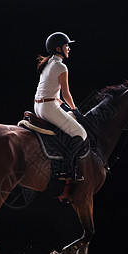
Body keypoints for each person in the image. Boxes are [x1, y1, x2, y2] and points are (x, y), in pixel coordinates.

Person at [34, 32, 87, 182]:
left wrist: (66, 108)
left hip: (40, 106)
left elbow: (52, 91)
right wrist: (75, 110)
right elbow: (66, 94)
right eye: (66, 46)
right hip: (49, 108)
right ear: (58, 49)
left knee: (70, 118)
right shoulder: (61, 66)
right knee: (81, 134)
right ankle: (64, 170)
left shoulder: (48, 63)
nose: (69, 48)